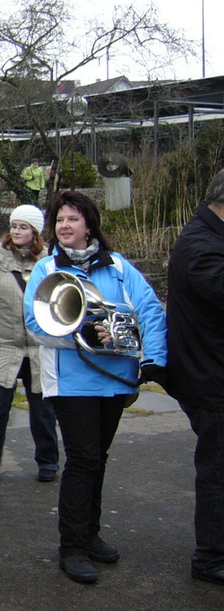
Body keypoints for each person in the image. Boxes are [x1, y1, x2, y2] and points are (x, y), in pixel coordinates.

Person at [23, 190, 167, 584]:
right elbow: (36, 323)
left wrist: (152, 358)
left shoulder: (119, 267)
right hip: (71, 383)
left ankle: (90, 534)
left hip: (116, 380)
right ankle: (72, 547)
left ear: (89, 225)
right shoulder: (47, 268)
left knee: (97, 458)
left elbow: (149, 310)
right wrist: (86, 333)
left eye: (72, 218)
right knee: (83, 459)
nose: (64, 226)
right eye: (59, 220)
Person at [165, 169, 224, 587]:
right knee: (218, 471)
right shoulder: (201, 244)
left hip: (212, 370)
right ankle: (210, 557)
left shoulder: (209, 235)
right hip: (209, 376)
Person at [0, 204, 59, 482]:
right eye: (14, 226)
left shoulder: (49, 261)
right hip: (3, 345)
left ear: (35, 232)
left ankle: (48, 461)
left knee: (43, 410)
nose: (17, 231)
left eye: (23, 227)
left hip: (38, 347)